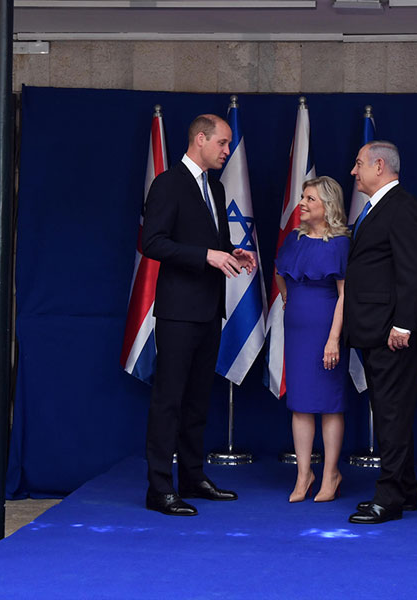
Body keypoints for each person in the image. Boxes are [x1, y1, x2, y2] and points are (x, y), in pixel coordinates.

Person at [141, 114, 256, 516]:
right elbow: (152, 242)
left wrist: (231, 251)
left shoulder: (217, 188)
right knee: (168, 400)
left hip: (210, 310)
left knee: (196, 401)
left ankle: (193, 476)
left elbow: (213, 243)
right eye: (223, 143)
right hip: (177, 312)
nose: (227, 151)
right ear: (201, 139)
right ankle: (159, 488)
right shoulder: (168, 183)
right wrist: (206, 255)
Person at [343, 141, 417, 524]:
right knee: (389, 412)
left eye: (358, 163)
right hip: (374, 329)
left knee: (392, 415)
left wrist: (404, 324)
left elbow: (413, 271)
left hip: (393, 332)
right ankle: (405, 490)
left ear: (379, 166)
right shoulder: (377, 209)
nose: (353, 171)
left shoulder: (403, 208)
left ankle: (390, 497)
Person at [274, 176, 350, 503]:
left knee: (329, 403)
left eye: (310, 199)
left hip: (326, 330)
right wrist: (290, 300)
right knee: (300, 402)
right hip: (297, 331)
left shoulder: (341, 243)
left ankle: (331, 473)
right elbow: (280, 272)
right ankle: (304, 474)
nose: (302, 204)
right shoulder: (294, 238)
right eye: (303, 197)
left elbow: (346, 295)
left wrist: (333, 339)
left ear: (327, 206)